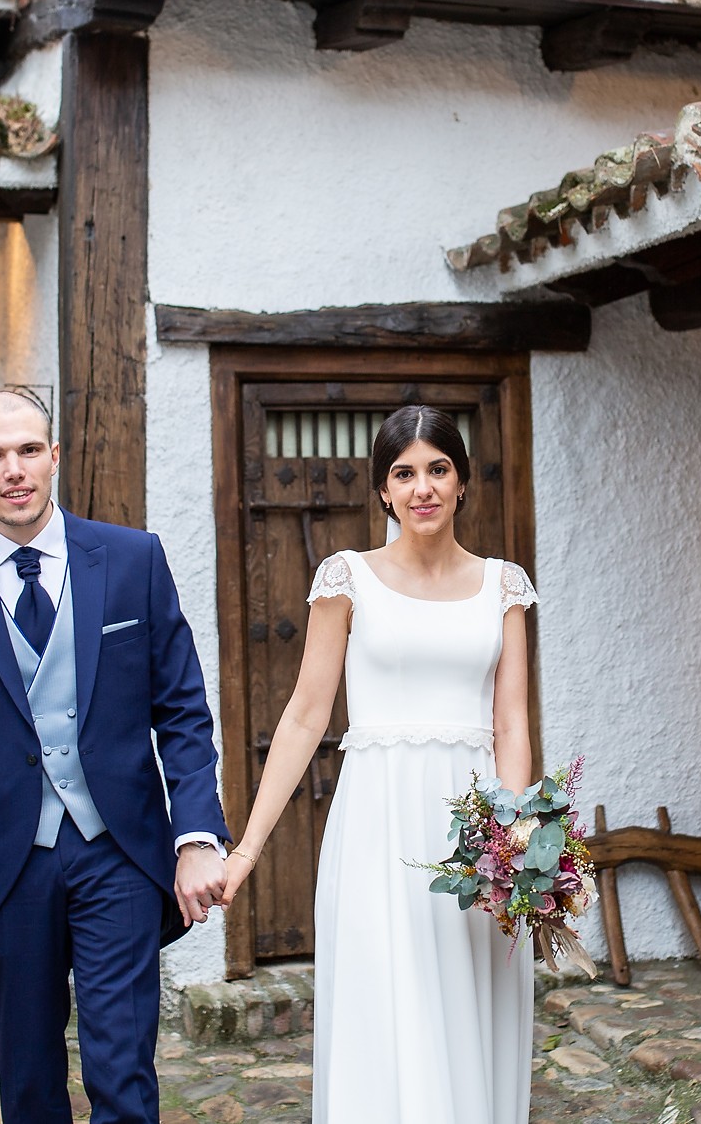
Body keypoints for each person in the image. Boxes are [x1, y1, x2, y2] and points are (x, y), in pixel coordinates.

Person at [0, 389, 230, 1124]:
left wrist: (197, 834)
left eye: (27, 450)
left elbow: (182, 711)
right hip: (9, 867)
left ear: (53, 456)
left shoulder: (134, 559)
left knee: (124, 1076)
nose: (13, 469)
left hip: (120, 857)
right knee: (31, 1086)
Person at [221, 404, 539, 1124]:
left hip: (473, 832)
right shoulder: (347, 579)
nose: (422, 486)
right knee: (383, 1007)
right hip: (376, 825)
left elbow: (512, 721)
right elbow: (305, 714)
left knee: (468, 1004)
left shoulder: (503, 585)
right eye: (404, 472)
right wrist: (248, 847)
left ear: (461, 484)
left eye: (438, 469)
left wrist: (515, 838)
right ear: (383, 491)